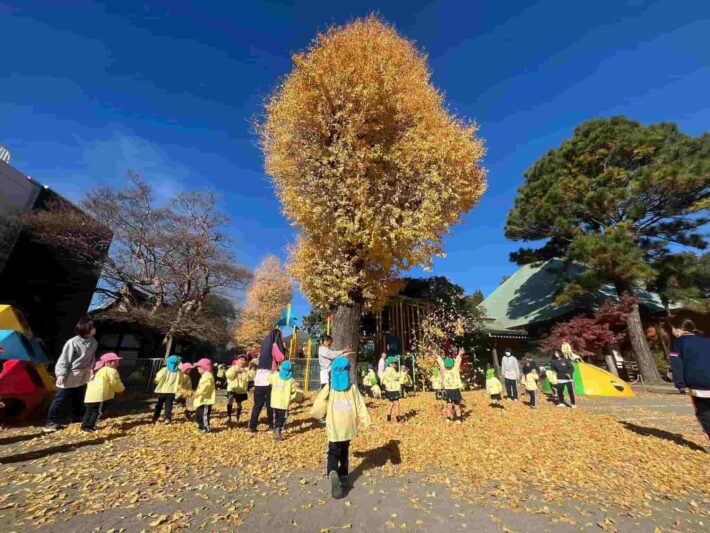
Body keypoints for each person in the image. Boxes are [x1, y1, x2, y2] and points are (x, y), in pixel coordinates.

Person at [311, 357, 371, 500]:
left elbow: (319, 403)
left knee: (333, 452)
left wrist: (318, 415)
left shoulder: (329, 387)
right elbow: (360, 406)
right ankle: (343, 476)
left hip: (334, 426)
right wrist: (367, 423)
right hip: (348, 426)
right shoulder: (352, 388)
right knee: (344, 451)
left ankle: (332, 472)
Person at [44, 317, 98, 433]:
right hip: (70, 374)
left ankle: (76, 417)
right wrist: (61, 374)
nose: (94, 329)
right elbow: (64, 359)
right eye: (92, 327)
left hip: (83, 374)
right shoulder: (73, 342)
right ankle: (50, 422)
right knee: (60, 398)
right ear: (85, 328)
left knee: (78, 396)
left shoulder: (93, 341)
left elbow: (92, 358)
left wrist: (92, 368)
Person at [670, 319, 710, 441]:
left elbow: (677, 365)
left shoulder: (677, 343)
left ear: (678, 329)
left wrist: (680, 385)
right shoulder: (706, 340)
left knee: (703, 411)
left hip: (698, 381)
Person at [249, 329, 286, 434]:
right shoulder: (274, 344)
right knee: (271, 404)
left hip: (259, 379)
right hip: (269, 378)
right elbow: (280, 358)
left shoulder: (264, 344)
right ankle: (271, 426)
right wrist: (282, 346)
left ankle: (252, 427)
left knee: (257, 405)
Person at [81, 353, 124, 432]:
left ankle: (84, 426)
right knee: (97, 412)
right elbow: (115, 382)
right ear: (109, 362)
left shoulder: (98, 369)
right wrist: (121, 389)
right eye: (116, 361)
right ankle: (90, 426)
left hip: (90, 395)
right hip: (99, 395)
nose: (118, 363)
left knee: (89, 411)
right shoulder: (111, 371)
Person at [269, 360, 297, 441]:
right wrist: (290, 398)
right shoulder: (291, 380)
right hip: (284, 403)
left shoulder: (275, 376)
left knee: (276, 416)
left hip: (275, 401)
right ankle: (278, 428)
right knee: (283, 417)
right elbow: (293, 392)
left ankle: (275, 428)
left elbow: (269, 380)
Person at [152, 355, 182, 424]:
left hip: (162, 391)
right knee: (168, 405)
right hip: (172, 391)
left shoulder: (164, 370)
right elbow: (180, 380)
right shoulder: (179, 371)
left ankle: (155, 417)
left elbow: (158, 378)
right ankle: (167, 418)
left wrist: (156, 381)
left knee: (159, 404)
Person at [438, 348, 464, 423]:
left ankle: (454, 418)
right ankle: (453, 418)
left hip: (453, 390)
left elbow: (441, 362)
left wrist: (436, 355)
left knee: (453, 406)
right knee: (453, 406)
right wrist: (459, 354)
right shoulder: (454, 367)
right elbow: (457, 360)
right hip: (451, 390)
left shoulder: (447, 368)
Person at [225, 354, 253, 425]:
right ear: (237, 361)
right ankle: (228, 416)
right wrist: (235, 371)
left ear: (246, 362)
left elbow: (248, 379)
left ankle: (237, 417)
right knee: (230, 400)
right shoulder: (233, 368)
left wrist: (244, 372)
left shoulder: (247, 370)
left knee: (239, 404)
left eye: (244, 360)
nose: (242, 361)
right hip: (232, 388)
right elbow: (228, 376)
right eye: (240, 360)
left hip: (241, 390)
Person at [193, 358, 216, 433]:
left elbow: (205, 386)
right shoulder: (204, 375)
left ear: (204, 367)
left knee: (204, 414)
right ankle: (201, 426)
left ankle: (206, 427)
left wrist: (198, 393)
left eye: (199, 367)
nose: (197, 368)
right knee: (199, 414)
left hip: (206, 400)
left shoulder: (208, 375)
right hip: (201, 399)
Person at [382, 356, 403, 423]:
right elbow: (396, 377)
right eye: (394, 363)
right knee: (397, 403)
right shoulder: (391, 369)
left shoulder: (386, 369)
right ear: (390, 364)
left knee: (391, 403)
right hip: (393, 388)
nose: (395, 364)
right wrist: (401, 372)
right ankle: (398, 418)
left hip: (389, 388)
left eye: (395, 363)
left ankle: (388, 417)